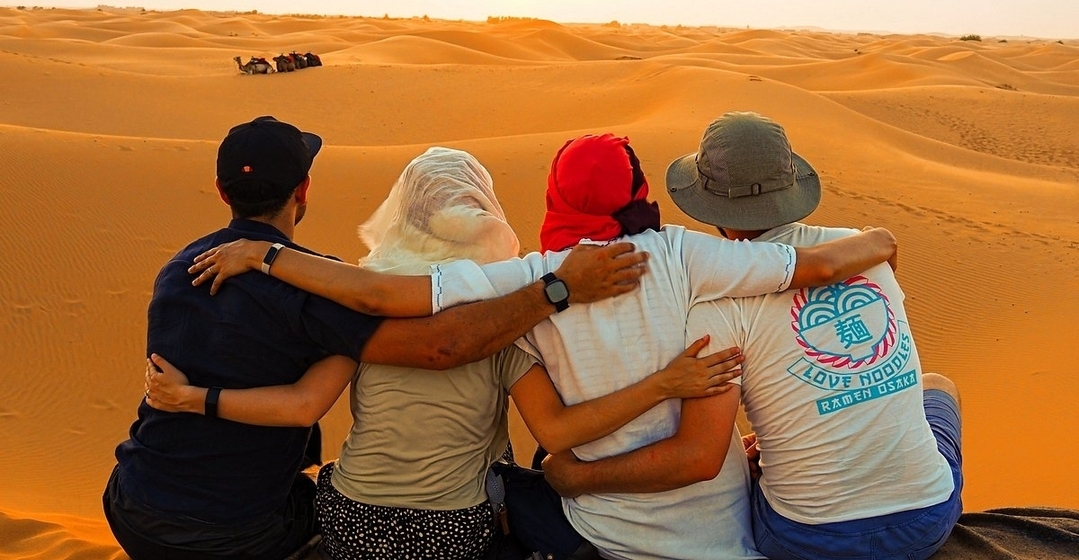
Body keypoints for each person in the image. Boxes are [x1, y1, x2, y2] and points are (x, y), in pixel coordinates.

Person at [144, 147, 742, 560]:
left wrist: (195, 396)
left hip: (350, 520)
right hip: (450, 533)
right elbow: (557, 430)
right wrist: (664, 384)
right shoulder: (507, 313)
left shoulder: (361, 307)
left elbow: (307, 402)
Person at [372, 132, 897, 560]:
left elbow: (406, 306)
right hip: (721, 532)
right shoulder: (687, 255)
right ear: (637, 189)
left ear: (556, 192)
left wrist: (292, 268)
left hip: (607, 533)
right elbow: (816, 267)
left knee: (523, 477)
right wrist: (879, 240)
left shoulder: (531, 281)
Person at [543, 112, 963, 560]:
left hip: (806, 541)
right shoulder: (860, 250)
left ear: (707, 203)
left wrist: (578, 478)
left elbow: (699, 459)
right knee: (938, 386)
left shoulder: (716, 301)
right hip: (926, 523)